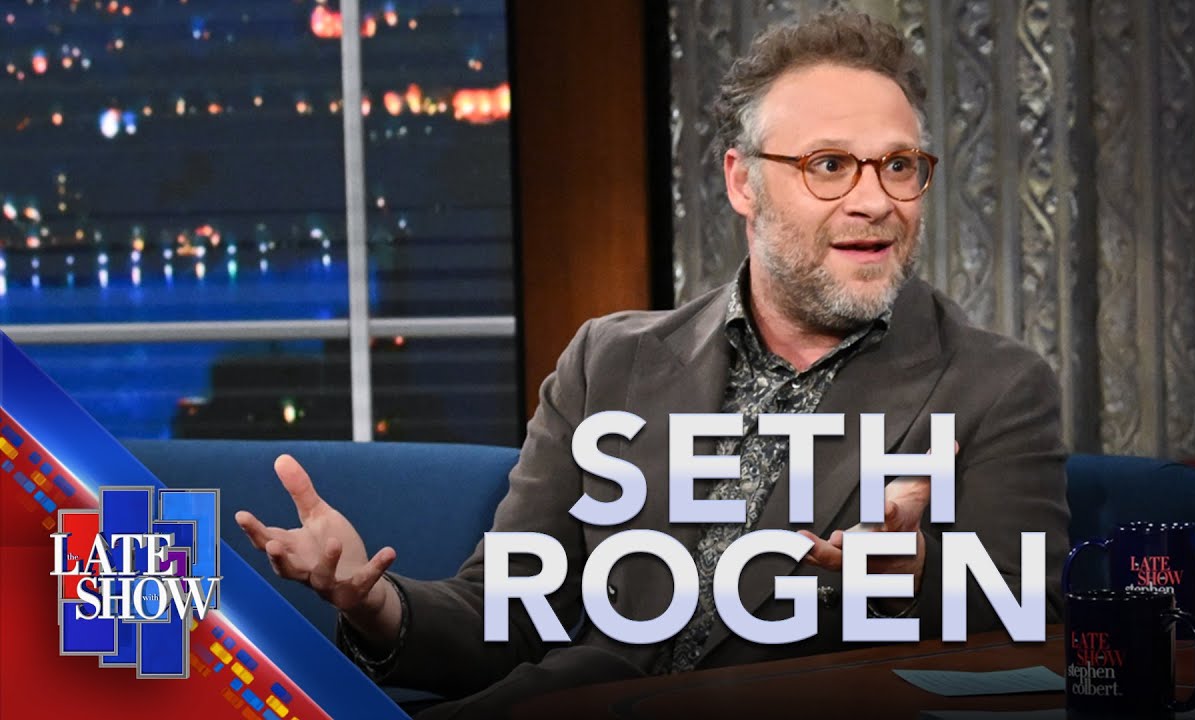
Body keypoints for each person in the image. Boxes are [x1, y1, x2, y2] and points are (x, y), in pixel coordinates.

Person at [235, 10, 1069, 718]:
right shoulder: (610, 361)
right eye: (828, 166)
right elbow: (508, 616)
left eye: (898, 166)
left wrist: (913, 579)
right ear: (742, 183)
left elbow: (1038, 630)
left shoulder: (994, 386)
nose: (875, 200)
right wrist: (375, 603)